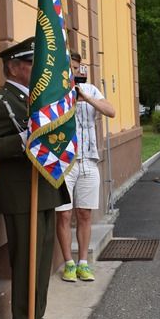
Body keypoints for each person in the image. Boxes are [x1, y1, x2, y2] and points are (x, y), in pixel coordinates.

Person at [0, 38, 70, 319]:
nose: (38, 68)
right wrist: (22, 141)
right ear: (14, 67)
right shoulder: (1, 100)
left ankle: (36, 317)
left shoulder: (34, 98)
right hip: (20, 195)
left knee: (42, 261)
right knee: (27, 261)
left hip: (43, 189)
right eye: (31, 63)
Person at [55, 51, 116, 283]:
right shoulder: (56, 92)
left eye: (76, 67)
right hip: (64, 163)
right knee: (64, 215)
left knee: (84, 214)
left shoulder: (90, 89)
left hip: (88, 160)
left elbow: (110, 111)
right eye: (69, 67)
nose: (73, 71)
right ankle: (68, 263)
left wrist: (85, 98)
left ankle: (83, 262)